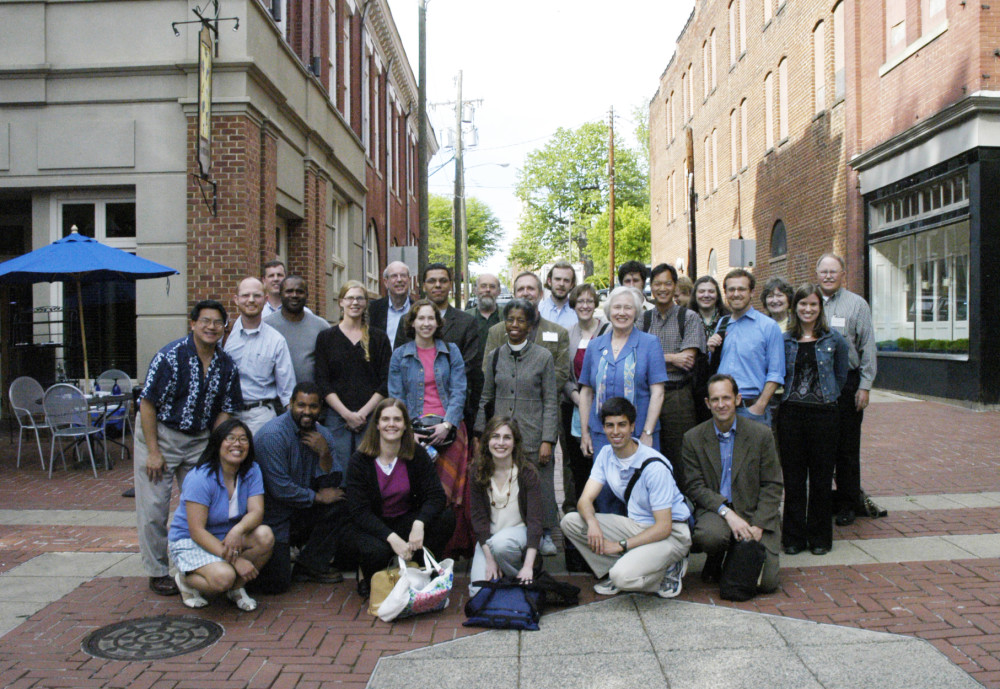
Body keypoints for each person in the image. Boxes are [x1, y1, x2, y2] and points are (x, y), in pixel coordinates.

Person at [135, 300, 243, 596]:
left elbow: (226, 409)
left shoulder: (226, 365)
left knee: (203, 505)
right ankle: (157, 571)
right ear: (192, 324)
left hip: (200, 440)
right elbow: (147, 404)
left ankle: (197, 564)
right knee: (154, 507)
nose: (211, 327)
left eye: (217, 323)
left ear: (225, 328)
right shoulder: (170, 357)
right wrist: (154, 452)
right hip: (161, 434)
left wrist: (213, 447)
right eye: (205, 321)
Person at [561, 397, 691, 598]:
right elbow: (584, 501)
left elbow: (663, 527)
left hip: (671, 534)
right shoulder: (606, 454)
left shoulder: (654, 466)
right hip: (637, 525)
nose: (615, 432)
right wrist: (592, 522)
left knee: (622, 578)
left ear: (632, 427)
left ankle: (669, 567)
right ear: (603, 428)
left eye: (622, 425)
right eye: (609, 425)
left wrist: (620, 545)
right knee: (571, 522)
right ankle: (623, 567)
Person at [343, 398, 456, 598]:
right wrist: (392, 538)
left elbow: (436, 496)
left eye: (397, 419)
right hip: (374, 527)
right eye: (385, 419)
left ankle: (423, 570)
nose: (391, 424)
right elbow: (359, 511)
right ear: (376, 424)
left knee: (445, 519)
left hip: (406, 521)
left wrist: (419, 523)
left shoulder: (417, 454)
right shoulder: (359, 461)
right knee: (376, 552)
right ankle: (369, 576)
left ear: (405, 425)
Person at [682, 374, 783, 593]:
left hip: (754, 511)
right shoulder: (693, 438)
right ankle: (717, 555)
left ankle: (733, 557)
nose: (721, 405)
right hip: (716, 512)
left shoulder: (761, 435)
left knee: (767, 584)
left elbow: (773, 484)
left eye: (726, 398)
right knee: (710, 536)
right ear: (708, 404)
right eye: (715, 400)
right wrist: (728, 514)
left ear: (737, 399)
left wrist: (758, 525)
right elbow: (694, 486)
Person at [476, 299, 559, 554]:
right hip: (502, 437)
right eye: (510, 319)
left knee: (540, 485)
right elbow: (486, 398)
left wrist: (548, 439)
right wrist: (479, 435)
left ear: (530, 325)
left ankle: (544, 533)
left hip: (533, 432)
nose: (514, 325)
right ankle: (508, 531)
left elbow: (551, 400)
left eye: (521, 320)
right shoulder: (494, 356)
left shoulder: (543, 357)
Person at [168, 418, 274, 611]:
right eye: (230, 438)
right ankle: (185, 580)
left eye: (243, 439)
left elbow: (257, 512)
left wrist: (238, 529)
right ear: (217, 443)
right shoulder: (200, 477)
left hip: (227, 535)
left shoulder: (251, 470)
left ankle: (236, 589)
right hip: (191, 540)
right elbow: (197, 532)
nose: (237, 444)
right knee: (224, 577)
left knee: (265, 535)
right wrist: (236, 560)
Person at [253, 383, 349, 592]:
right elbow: (280, 489)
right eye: (301, 405)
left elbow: (332, 483)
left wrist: (324, 454)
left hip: (301, 510)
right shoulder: (273, 436)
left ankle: (310, 564)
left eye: (313, 406)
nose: (307, 411)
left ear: (320, 408)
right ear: (290, 405)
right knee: (277, 585)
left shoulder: (323, 435)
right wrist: (317, 497)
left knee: (342, 502)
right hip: (273, 518)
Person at [779, 284, 849, 556]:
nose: (808, 309)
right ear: (794, 308)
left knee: (821, 478)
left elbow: (842, 375)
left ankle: (820, 538)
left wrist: (826, 396)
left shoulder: (834, 340)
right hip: (792, 414)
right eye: (802, 304)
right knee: (794, 479)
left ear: (820, 308)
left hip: (824, 415)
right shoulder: (785, 340)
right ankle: (794, 538)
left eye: (813, 305)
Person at [816, 253, 885, 526]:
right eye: (824, 271)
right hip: (815, 384)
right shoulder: (807, 302)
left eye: (834, 271)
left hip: (847, 382)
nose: (829, 276)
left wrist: (865, 386)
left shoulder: (857, 305)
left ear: (843, 274)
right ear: (817, 274)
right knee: (821, 446)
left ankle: (848, 503)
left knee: (846, 447)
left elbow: (868, 348)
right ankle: (821, 502)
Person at [388, 299, 469, 528]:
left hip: (449, 431)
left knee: (446, 493)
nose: (426, 323)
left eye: (430, 318)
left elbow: (459, 389)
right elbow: (396, 396)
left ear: (438, 322)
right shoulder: (400, 355)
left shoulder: (451, 351)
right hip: (414, 433)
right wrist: (408, 431)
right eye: (420, 318)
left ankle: (447, 544)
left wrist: (447, 425)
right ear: (412, 323)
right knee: (417, 491)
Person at [578, 287, 668, 461]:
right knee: (604, 485)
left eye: (628, 308)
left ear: (636, 312)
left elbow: (658, 392)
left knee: (640, 483)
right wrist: (585, 433)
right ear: (608, 311)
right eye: (617, 307)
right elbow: (586, 392)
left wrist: (647, 432)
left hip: (639, 434)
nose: (622, 313)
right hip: (602, 434)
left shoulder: (650, 343)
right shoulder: (595, 346)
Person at [640, 263, 706, 491]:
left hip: (678, 397)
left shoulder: (689, 318)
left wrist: (654, 356)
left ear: (675, 286)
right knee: (648, 453)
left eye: (667, 283)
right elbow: (637, 356)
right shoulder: (643, 319)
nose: (662, 288)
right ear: (651, 287)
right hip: (647, 397)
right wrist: (671, 358)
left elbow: (687, 359)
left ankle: (684, 510)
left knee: (681, 456)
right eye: (657, 283)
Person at [315, 280, 391, 461]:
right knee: (338, 470)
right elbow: (322, 380)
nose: (354, 303)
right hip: (336, 417)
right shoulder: (326, 338)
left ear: (366, 303)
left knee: (369, 470)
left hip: (371, 416)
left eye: (359, 298)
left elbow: (386, 380)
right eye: (349, 298)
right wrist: (346, 414)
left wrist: (363, 413)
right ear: (341, 301)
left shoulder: (378, 338)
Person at [468, 416, 542, 595]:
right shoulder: (477, 471)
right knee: (477, 592)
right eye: (495, 436)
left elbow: (535, 521)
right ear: (487, 441)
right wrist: (490, 560)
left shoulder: (527, 473)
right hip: (489, 540)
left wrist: (528, 566)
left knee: (502, 545)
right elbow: (478, 520)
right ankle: (505, 580)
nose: (500, 443)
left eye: (507, 437)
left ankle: (521, 577)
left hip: (518, 537)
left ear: (515, 442)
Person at [707, 269, 785, 428]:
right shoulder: (722, 324)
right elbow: (715, 366)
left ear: (752, 292)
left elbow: (776, 373)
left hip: (751, 408)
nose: (736, 294)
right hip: (722, 408)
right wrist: (711, 351)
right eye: (731, 289)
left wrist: (759, 406)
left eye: (741, 289)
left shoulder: (768, 326)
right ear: (726, 293)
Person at [225, 277, 296, 435]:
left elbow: (287, 391)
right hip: (227, 415)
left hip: (261, 417)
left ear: (265, 300)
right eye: (245, 295)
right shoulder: (224, 337)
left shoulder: (276, 341)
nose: (251, 300)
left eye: (256, 296)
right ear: (236, 300)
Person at [421, 263, 482, 435]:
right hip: (417, 405)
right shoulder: (409, 320)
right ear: (424, 285)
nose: (437, 285)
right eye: (432, 281)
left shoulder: (466, 322)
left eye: (443, 281)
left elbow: (470, 364)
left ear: (450, 285)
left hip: (454, 407)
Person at [563, 283, 609, 508]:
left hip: (605, 405)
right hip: (577, 406)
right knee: (580, 461)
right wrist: (576, 396)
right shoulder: (568, 334)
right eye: (580, 301)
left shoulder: (609, 330)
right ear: (574, 304)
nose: (585, 305)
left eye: (589, 301)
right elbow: (563, 374)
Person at [264, 275, 331, 386]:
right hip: (275, 397)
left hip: (311, 398)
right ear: (280, 294)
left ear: (307, 295)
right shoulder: (267, 325)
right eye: (289, 291)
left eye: (299, 291)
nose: (294, 295)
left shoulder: (321, 327)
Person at [689, 275, 729, 423]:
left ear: (717, 295)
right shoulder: (686, 318)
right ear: (695, 295)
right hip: (694, 383)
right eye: (702, 291)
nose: (706, 295)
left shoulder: (728, 319)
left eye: (711, 291)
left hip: (721, 378)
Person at [368, 261, 414, 350]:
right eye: (394, 276)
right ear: (386, 282)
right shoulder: (373, 309)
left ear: (409, 280)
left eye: (403, 275)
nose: (399, 279)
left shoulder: (418, 310)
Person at [466, 272, 501, 362]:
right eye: (483, 286)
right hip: (472, 373)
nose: (488, 290)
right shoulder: (465, 318)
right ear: (475, 290)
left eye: (492, 287)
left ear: (499, 291)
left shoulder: (508, 317)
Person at [538, 260, 579, 330]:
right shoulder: (539, 310)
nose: (561, 284)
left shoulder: (578, 313)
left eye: (566, 280)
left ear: (572, 284)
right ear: (549, 281)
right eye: (557, 279)